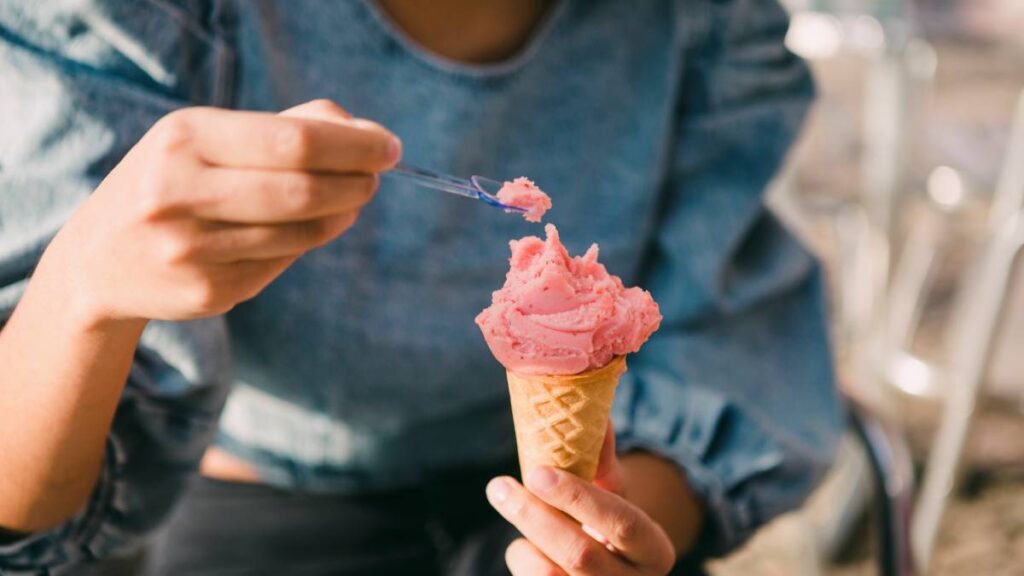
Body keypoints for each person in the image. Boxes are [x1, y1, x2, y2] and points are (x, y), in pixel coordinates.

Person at [0, 1, 843, 574]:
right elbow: (20, 512)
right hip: (264, 501)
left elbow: (729, 332)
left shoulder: (702, 24)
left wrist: (604, 538)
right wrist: (82, 289)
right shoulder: (136, 21)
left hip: (613, 498)